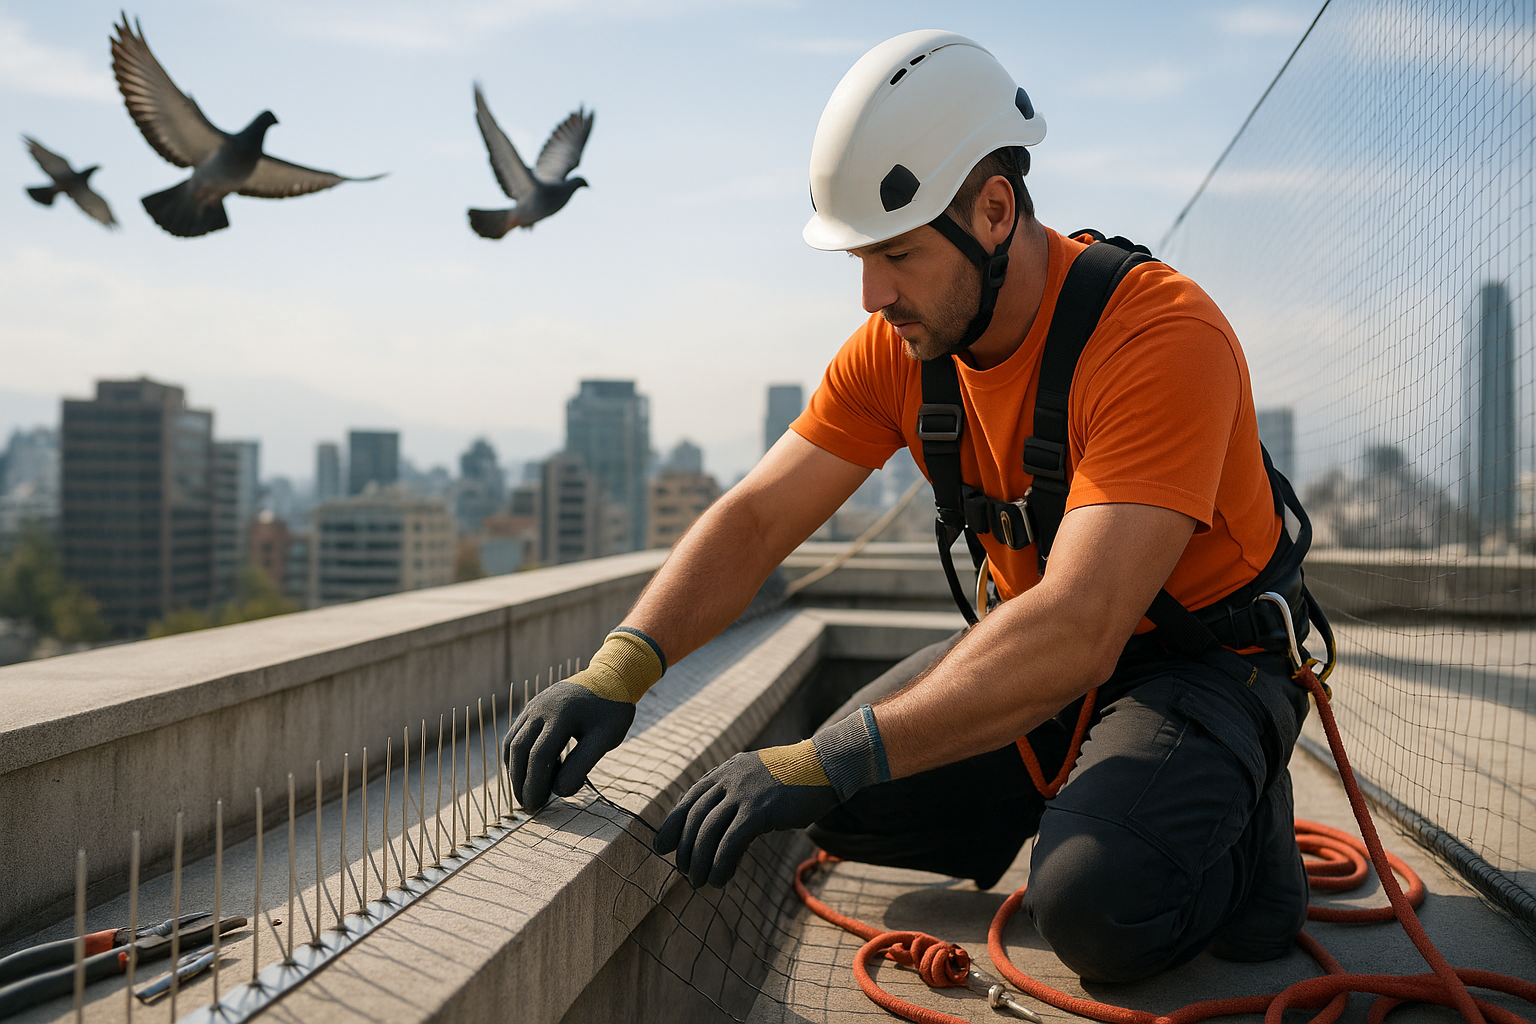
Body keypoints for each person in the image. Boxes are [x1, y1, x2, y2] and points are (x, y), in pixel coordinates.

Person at [505, 29, 1323, 984]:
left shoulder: (1157, 338)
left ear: (993, 210)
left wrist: (833, 755)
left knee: (1096, 906)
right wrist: (619, 670)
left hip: (1202, 666)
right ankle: (1110, 804)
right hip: (1043, 656)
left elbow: (1083, 624)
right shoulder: (907, 346)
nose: (871, 295)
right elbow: (758, 518)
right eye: (860, 257)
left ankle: (1232, 833)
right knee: (843, 804)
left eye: (895, 254)